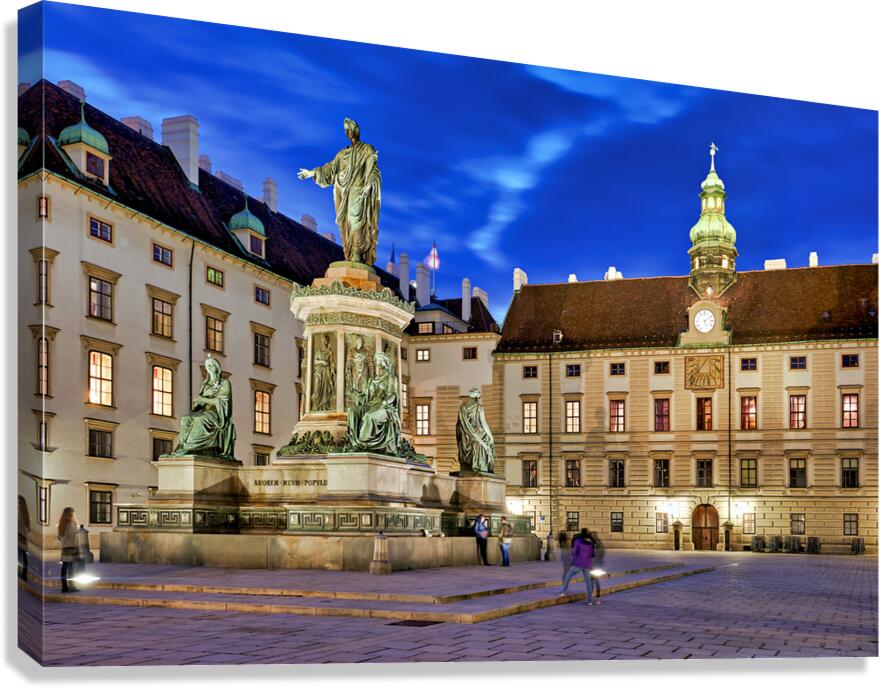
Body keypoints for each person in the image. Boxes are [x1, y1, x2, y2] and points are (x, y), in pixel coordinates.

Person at [558, 527, 594, 604]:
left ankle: (563, 591)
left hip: (578, 563)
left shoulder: (578, 541)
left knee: (568, 577)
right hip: (587, 564)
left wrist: (574, 560)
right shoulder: (590, 542)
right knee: (588, 582)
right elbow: (591, 554)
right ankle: (590, 600)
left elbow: (574, 552)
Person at [57, 507, 80, 593]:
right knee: (71, 568)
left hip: (64, 549)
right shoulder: (72, 524)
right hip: (72, 548)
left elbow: (59, 537)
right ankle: (72, 586)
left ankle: (64, 586)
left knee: (64, 567)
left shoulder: (61, 524)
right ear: (71, 514)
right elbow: (75, 536)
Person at [589, 532, 605, 604]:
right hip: (598, 565)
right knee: (596, 582)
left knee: (592, 582)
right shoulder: (600, 543)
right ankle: (598, 598)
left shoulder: (591, 544)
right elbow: (602, 554)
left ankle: (591, 598)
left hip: (592, 565)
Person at [18, 496, 30, 581]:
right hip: (23, 537)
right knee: (23, 556)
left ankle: (21, 573)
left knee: (20, 556)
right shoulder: (26, 514)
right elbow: (28, 528)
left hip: (18, 536)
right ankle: (23, 574)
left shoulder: (18, 512)